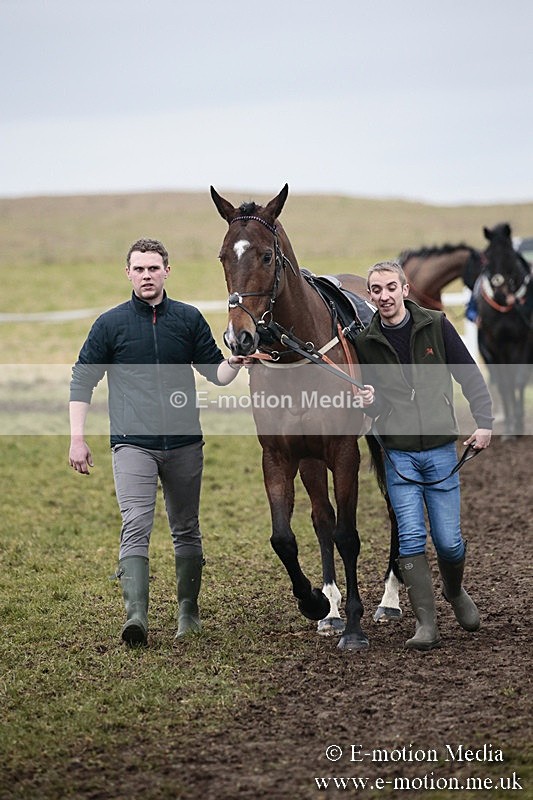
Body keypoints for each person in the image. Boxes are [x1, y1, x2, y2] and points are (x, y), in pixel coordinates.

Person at [69, 237, 249, 646]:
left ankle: (189, 612)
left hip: (185, 444)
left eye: (154, 268)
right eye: (139, 269)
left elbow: (215, 373)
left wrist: (235, 362)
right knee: (136, 524)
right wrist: (77, 439)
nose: (146, 275)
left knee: (186, 528)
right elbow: (82, 380)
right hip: (132, 444)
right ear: (128, 273)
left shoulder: (187, 319)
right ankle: (137, 617)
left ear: (167, 271)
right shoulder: (110, 324)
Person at [354, 261, 493, 651]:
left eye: (390, 288)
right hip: (399, 456)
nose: (384, 296)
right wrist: (369, 401)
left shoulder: (435, 325)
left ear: (405, 288)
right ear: (370, 295)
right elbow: (375, 405)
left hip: (440, 451)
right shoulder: (366, 342)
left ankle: (455, 590)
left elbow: (468, 374)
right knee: (411, 538)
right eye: (376, 290)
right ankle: (425, 624)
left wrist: (483, 422)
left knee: (449, 542)